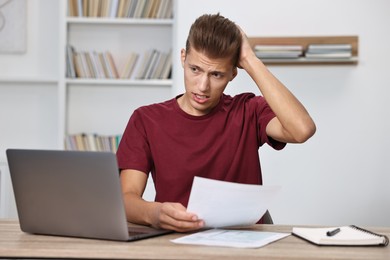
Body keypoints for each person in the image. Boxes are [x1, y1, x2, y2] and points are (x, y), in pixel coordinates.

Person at [116, 13, 316, 232]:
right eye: (195, 69)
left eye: (217, 74)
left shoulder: (248, 110)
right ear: (183, 58)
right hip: (175, 242)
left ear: (233, 73)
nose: (202, 86)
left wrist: (250, 59)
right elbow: (126, 197)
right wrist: (154, 213)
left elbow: (302, 129)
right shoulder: (146, 119)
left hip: (245, 244)